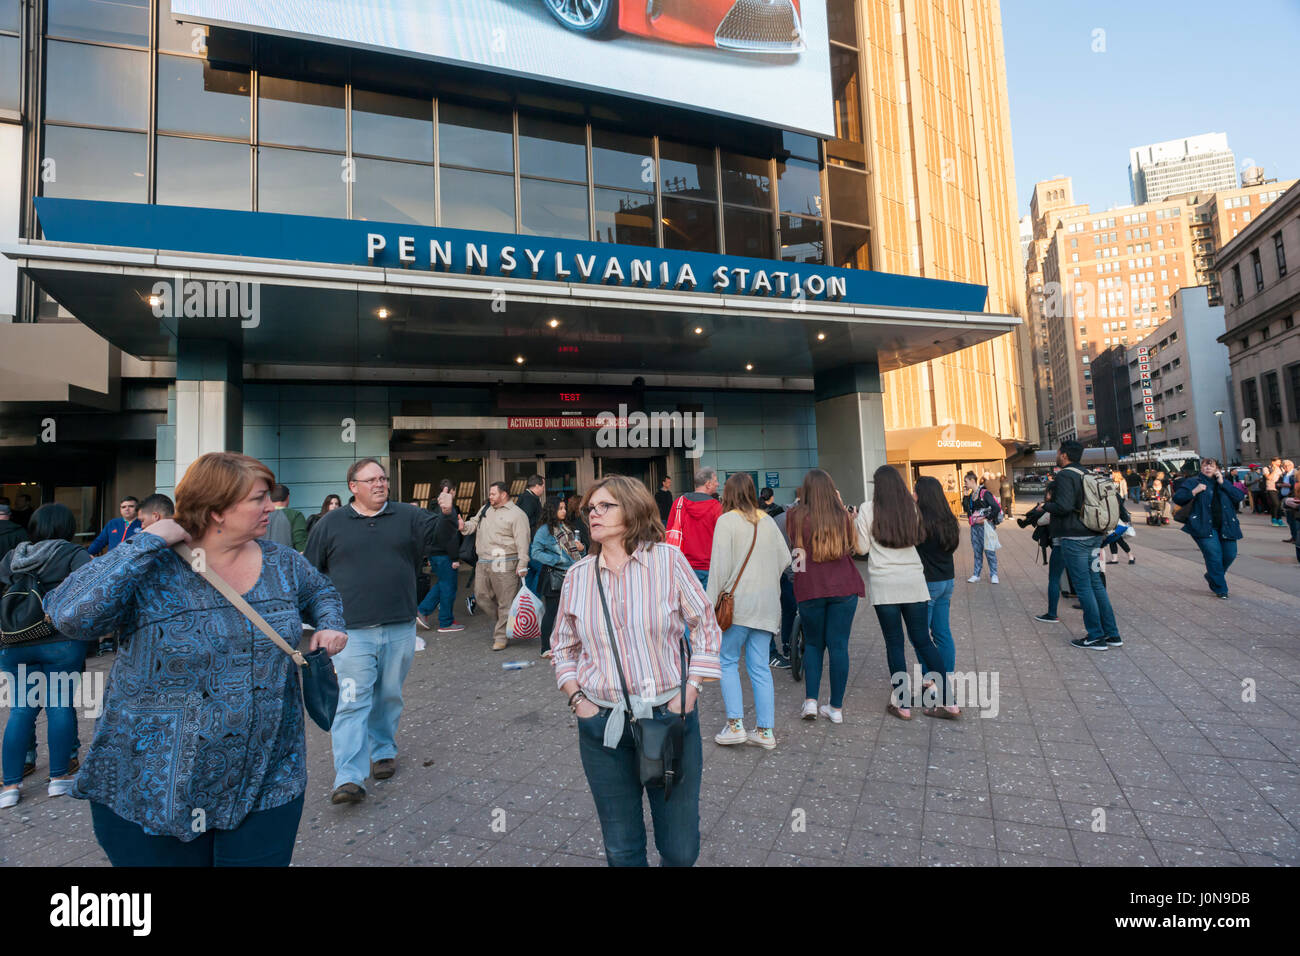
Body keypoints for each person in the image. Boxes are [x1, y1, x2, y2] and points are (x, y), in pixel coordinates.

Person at [42, 452, 347, 864]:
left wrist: (329, 624)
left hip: (266, 777)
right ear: (217, 510)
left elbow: (321, 592)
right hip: (156, 783)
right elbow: (69, 614)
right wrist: (147, 541)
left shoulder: (283, 563)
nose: (271, 507)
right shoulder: (153, 566)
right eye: (258, 499)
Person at [551, 475, 722, 867]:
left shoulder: (668, 561)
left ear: (631, 509)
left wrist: (691, 688)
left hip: (668, 718)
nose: (593, 514)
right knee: (622, 849)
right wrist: (578, 700)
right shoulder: (578, 576)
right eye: (590, 508)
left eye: (604, 506)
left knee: (680, 849)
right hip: (602, 727)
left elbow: (706, 625)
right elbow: (562, 645)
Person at [304, 457, 439, 804]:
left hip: (399, 626)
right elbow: (309, 575)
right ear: (353, 487)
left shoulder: (406, 517)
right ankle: (348, 777)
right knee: (351, 701)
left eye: (383, 478)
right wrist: (321, 621)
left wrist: (448, 513)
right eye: (371, 480)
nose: (380, 484)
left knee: (388, 695)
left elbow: (443, 538)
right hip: (351, 632)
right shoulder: (330, 524)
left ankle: (382, 751)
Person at [0, 504, 94, 809]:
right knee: (59, 707)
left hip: (15, 643)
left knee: (21, 711)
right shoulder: (73, 554)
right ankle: (57, 780)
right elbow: (92, 595)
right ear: (67, 526)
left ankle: (11, 786)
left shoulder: (14, 556)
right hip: (61, 641)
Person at [707, 473, 790, 749]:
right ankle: (765, 732)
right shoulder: (766, 520)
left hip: (738, 606)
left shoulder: (726, 521)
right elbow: (785, 559)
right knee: (760, 667)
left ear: (728, 494)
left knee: (728, 661)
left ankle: (736, 726)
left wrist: (709, 606)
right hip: (767, 605)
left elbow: (718, 570)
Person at [857, 467, 946, 721]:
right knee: (923, 640)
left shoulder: (867, 509)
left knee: (894, 643)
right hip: (913, 582)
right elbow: (918, 539)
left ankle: (903, 703)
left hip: (885, 585)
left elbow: (861, 547)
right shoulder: (911, 508)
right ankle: (948, 700)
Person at [786, 469, 866, 723]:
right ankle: (836, 708)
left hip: (810, 587)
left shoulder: (795, 516)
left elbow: (796, 551)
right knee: (839, 646)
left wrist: (797, 578)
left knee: (812, 644)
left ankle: (810, 702)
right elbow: (852, 548)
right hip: (844, 586)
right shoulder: (841, 515)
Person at [1042, 441, 1122, 651]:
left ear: (1065, 455)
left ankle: (1095, 636)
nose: (1057, 455)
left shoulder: (1065, 476)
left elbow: (1064, 506)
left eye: (1059, 452)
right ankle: (1112, 633)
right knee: (1095, 583)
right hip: (1095, 536)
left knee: (1083, 586)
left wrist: (1045, 505)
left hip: (1075, 538)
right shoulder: (1086, 474)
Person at [460, 480, 531, 652]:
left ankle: (500, 637)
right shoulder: (485, 509)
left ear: (504, 494)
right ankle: (506, 622)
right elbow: (473, 525)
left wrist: (522, 564)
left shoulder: (517, 514)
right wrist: (463, 526)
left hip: (504, 560)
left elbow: (523, 541)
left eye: (493, 493)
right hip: (483, 560)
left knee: (505, 600)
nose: (489, 496)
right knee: (481, 595)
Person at [913, 476, 960, 718]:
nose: (913, 495)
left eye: (915, 492)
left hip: (927, 583)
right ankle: (945, 677)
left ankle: (932, 682)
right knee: (942, 632)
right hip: (947, 580)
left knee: (921, 636)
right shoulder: (949, 518)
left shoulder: (921, 522)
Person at [1171, 458, 1245, 599]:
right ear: (1201, 468)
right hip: (1203, 524)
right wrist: (1194, 491)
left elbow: (1239, 496)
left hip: (1226, 525)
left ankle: (1212, 575)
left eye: (1211, 466)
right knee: (1214, 555)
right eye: (1205, 465)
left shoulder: (1223, 482)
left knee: (1230, 554)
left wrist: (1224, 484)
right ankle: (1220, 588)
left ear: (1217, 468)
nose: (1208, 468)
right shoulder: (1194, 482)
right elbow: (1178, 498)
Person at [531, 496, 584, 658]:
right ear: (552, 510)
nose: (564, 511)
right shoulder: (544, 531)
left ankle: (574, 644)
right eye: (560, 508)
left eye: (564, 508)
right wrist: (556, 560)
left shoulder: (566, 526)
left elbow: (575, 551)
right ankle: (545, 647)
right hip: (554, 577)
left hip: (573, 575)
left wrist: (582, 548)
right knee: (552, 612)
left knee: (575, 612)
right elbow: (535, 552)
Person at [666, 465, 723, 601]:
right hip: (710, 567)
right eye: (715, 481)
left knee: (687, 612)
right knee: (709, 611)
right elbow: (722, 540)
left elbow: (668, 533)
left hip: (683, 567)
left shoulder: (678, 504)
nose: (718, 484)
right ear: (708, 484)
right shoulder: (716, 507)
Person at [416, 487, 465, 635]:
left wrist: (428, 554)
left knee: (443, 584)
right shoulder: (448, 510)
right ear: (450, 491)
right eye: (455, 491)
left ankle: (423, 610)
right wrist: (455, 558)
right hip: (445, 555)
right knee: (448, 587)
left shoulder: (430, 509)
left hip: (434, 554)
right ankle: (445, 621)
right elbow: (450, 537)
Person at [962, 471, 1002, 584]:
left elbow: (996, 508)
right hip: (974, 527)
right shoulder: (971, 496)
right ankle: (976, 574)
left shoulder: (984, 493)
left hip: (986, 527)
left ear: (972, 481)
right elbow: (966, 509)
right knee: (977, 551)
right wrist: (965, 496)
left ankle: (994, 574)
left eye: (966, 481)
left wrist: (987, 518)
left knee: (990, 550)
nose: (965, 484)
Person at [517, 475, 546, 592]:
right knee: (542, 569)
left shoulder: (526, 497)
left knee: (529, 573)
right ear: (537, 486)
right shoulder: (529, 499)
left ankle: (528, 603)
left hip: (527, 542)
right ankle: (534, 599)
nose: (544, 489)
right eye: (543, 486)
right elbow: (525, 521)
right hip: (530, 542)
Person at [267, 484, 308, 551]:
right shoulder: (295, 515)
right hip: (286, 559)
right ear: (288, 497)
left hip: (260, 559)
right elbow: (301, 545)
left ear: (269, 497)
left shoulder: (260, 515)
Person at [1263, 458, 1284, 527]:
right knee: (1275, 504)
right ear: (1273, 462)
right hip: (1271, 488)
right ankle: (1274, 519)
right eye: (1278, 462)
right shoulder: (1266, 468)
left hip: (1280, 488)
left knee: (1279, 505)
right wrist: (1274, 470)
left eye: (1280, 462)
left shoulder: (1281, 469)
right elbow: (1269, 477)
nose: (1279, 464)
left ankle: (1280, 519)